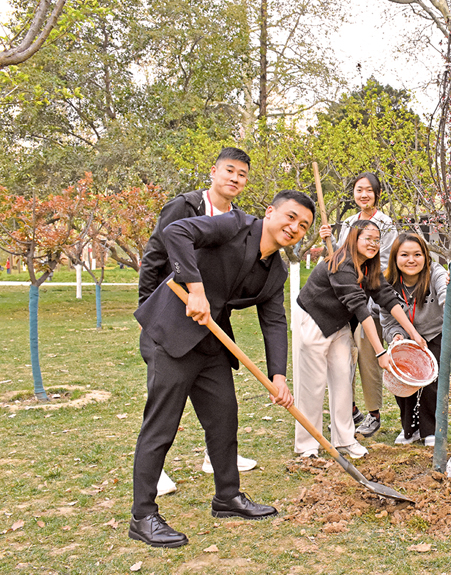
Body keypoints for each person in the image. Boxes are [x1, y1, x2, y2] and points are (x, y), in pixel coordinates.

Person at [130, 190, 315, 548]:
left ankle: (227, 497)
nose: (295, 227)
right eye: (291, 217)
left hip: (211, 342)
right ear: (270, 212)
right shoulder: (234, 225)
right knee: (161, 426)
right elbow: (176, 233)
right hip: (172, 332)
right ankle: (143, 516)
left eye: (303, 225)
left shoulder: (275, 270)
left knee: (224, 418)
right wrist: (195, 288)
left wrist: (278, 376)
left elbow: (274, 321)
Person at [138, 147, 258, 495]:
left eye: (242, 174)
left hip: (210, 328)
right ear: (213, 172)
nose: (235, 178)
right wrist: (148, 310)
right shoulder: (185, 206)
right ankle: (155, 473)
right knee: (164, 405)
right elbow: (155, 256)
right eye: (229, 170)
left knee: (220, 407)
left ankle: (215, 460)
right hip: (171, 319)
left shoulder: (239, 221)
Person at [294, 219, 425, 459]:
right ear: (354, 239)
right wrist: (380, 352)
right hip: (315, 319)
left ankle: (344, 439)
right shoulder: (342, 264)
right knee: (313, 384)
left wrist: (413, 333)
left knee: (343, 379)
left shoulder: (368, 268)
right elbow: (361, 310)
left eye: (377, 240)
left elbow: (387, 298)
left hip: (340, 324)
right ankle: (307, 445)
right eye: (368, 239)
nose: (373, 244)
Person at [319, 172, 398, 438]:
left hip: (370, 300)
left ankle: (373, 414)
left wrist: (363, 281)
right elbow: (340, 257)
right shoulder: (349, 223)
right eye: (358, 190)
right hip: (346, 301)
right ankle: (349, 410)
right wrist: (328, 241)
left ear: (377, 194)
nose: (363, 195)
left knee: (368, 356)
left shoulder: (385, 224)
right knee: (342, 357)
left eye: (368, 190)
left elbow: (384, 262)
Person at [381, 233, 451, 447]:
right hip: (406, 335)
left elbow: (445, 291)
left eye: (417, 254)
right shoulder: (387, 282)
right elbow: (387, 321)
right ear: (394, 257)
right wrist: (396, 336)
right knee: (403, 378)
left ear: (426, 257)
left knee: (430, 379)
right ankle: (410, 429)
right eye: (404, 255)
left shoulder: (435, 272)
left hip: (439, 330)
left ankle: (431, 430)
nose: (411, 260)